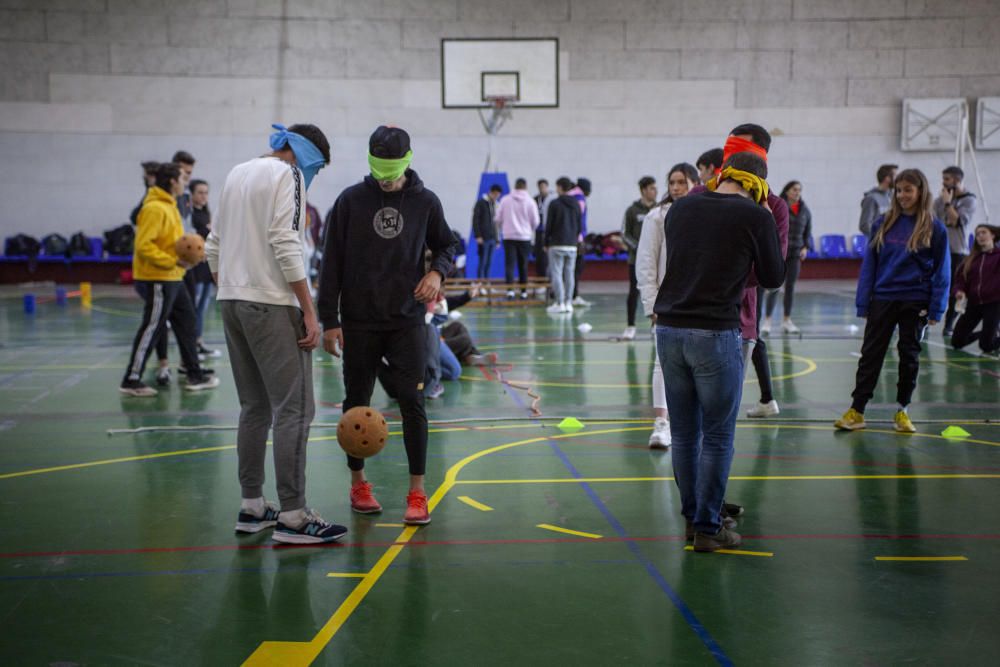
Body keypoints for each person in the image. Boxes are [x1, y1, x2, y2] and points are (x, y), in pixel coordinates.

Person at [206, 122, 344, 544]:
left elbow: (213, 245)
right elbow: (286, 242)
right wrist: (309, 310)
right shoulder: (290, 175)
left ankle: (252, 507)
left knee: (254, 407)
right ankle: (295, 517)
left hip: (230, 300)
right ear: (302, 154)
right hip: (272, 302)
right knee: (295, 408)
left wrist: (230, 289)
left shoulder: (236, 172)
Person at [319, 125, 457, 526]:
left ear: (408, 161)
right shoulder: (349, 202)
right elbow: (331, 265)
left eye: (392, 169)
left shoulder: (426, 202)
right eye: (380, 169)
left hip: (407, 321)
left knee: (413, 403)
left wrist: (437, 274)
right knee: (355, 404)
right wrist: (330, 320)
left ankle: (417, 491)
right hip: (359, 321)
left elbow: (447, 244)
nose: (386, 177)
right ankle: (358, 483)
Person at [655, 151, 784, 552]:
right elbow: (774, 277)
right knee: (716, 436)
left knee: (685, 433)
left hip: (670, 328)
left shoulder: (681, 207)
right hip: (716, 331)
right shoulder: (756, 216)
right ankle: (710, 528)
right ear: (757, 185)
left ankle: (694, 520)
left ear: (723, 175)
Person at [835, 168, 950, 434]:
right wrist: (863, 302)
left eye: (908, 190)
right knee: (870, 354)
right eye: (898, 190)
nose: (902, 195)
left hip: (915, 300)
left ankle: (903, 410)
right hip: (883, 298)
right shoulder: (882, 223)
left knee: (909, 354)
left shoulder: (935, 227)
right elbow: (869, 266)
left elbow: (942, 270)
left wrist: (937, 306)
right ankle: (857, 410)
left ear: (920, 191)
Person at [120, 163, 219, 397]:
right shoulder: (154, 208)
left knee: (187, 322)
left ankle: (194, 373)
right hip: (158, 277)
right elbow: (144, 246)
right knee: (152, 326)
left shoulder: (171, 206)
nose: (185, 182)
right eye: (182, 179)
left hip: (175, 276)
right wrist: (172, 262)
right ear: (173, 182)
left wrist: (192, 254)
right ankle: (131, 379)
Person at [636, 162, 699, 448]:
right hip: (668, 304)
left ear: (695, 183)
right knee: (663, 363)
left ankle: (689, 423)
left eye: (681, 183)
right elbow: (646, 264)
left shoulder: (706, 214)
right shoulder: (656, 217)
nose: (675, 188)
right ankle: (661, 423)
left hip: (700, 303)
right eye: (672, 182)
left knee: (697, 365)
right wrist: (652, 305)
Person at [933, 166, 979, 335]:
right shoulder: (939, 201)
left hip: (957, 250)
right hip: (939, 248)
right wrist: (943, 202)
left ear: (957, 180)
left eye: (947, 179)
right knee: (932, 282)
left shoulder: (969, 200)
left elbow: (956, 221)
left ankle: (949, 324)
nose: (943, 182)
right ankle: (927, 317)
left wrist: (947, 203)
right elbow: (935, 222)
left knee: (954, 287)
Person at [763, 180, 812, 335]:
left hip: (795, 254)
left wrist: (805, 247)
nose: (797, 192)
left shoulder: (805, 211)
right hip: (779, 253)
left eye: (799, 190)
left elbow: (807, 233)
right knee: (774, 286)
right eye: (794, 189)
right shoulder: (779, 206)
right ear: (787, 191)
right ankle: (768, 321)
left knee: (790, 287)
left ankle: (786, 320)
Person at [951, 224, 1000, 355]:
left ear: (993, 235)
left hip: (994, 304)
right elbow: (959, 281)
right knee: (956, 342)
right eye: (977, 234)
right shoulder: (970, 259)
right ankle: (987, 333)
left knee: (986, 346)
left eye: (983, 232)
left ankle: (989, 336)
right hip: (974, 304)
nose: (980, 236)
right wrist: (959, 292)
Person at [621, 176, 658, 340]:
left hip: (655, 260)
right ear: (643, 190)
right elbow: (624, 233)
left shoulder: (659, 209)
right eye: (651, 188)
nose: (655, 191)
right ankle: (630, 326)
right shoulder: (632, 210)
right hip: (635, 260)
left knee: (656, 292)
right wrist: (638, 247)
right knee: (634, 292)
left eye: (655, 188)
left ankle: (655, 325)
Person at [187, 179, 219, 358]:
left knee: (202, 309)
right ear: (192, 194)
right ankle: (191, 345)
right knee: (192, 308)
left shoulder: (207, 214)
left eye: (206, 192)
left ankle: (198, 341)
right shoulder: (189, 215)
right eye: (200, 192)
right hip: (195, 268)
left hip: (207, 268)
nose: (203, 196)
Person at [495, 177, 539, 299]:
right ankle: (523, 292)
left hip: (509, 237)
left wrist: (506, 225)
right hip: (525, 237)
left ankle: (510, 291)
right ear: (525, 187)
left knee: (510, 264)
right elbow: (536, 221)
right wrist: (528, 229)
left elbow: (497, 219)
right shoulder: (530, 202)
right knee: (523, 265)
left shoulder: (505, 200)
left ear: (515, 186)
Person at [544, 177, 582, 314]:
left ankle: (559, 302)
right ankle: (568, 303)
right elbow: (580, 225)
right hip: (572, 244)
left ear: (560, 187)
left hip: (557, 244)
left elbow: (549, 225)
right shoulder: (577, 203)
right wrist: (575, 240)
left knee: (557, 274)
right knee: (569, 274)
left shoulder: (554, 203)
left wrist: (545, 242)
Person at [569, 177, 592, 306]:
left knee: (568, 269)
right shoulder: (579, 199)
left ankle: (569, 295)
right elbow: (580, 221)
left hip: (567, 238)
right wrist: (581, 238)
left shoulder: (569, 197)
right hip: (576, 240)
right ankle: (573, 296)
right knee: (576, 269)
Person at [859, 163, 897, 238]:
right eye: (895, 176)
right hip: (879, 245)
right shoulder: (871, 198)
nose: (897, 179)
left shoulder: (892, 196)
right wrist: (879, 238)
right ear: (887, 178)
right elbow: (864, 225)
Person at [473, 184, 501, 279]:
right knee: (482, 262)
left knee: (489, 263)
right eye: (495, 195)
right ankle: (480, 285)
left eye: (498, 195)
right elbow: (475, 220)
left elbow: (497, 224)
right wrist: (478, 235)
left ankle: (487, 285)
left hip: (493, 239)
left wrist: (497, 239)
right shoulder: (480, 203)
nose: (496, 197)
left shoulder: (496, 205)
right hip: (483, 238)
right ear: (490, 192)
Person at [534, 179, 556, 279]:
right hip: (539, 231)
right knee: (540, 256)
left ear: (547, 187)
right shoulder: (535, 199)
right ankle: (541, 278)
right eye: (540, 187)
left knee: (549, 256)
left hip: (550, 231)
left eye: (543, 187)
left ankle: (549, 278)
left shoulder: (552, 199)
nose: (542, 189)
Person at [172, 150, 196, 225]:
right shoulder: (165, 194)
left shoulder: (188, 191)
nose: (186, 176)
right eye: (183, 172)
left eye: (189, 173)